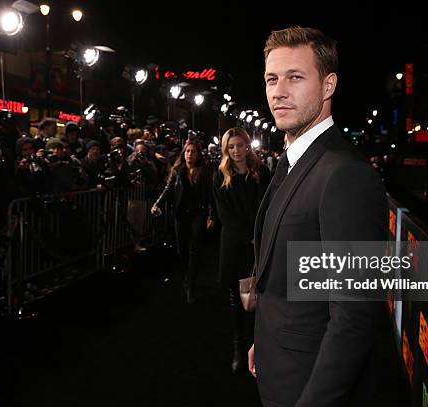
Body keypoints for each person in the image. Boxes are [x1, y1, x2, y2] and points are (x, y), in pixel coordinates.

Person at [249, 27, 387, 406]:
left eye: (295, 77)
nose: (278, 91)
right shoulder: (293, 163)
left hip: (307, 387)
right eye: (271, 79)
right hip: (279, 365)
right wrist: (264, 341)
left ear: (328, 86)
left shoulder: (345, 175)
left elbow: (354, 316)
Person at [212, 127, 270, 373]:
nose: (236, 151)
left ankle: (261, 347)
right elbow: (225, 214)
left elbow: (269, 205)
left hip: (260, 242)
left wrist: (259, 236)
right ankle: (238, 347)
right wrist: (249, 236)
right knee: (237, 298)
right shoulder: (220, 176)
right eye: (231, 147)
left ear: (248, 145)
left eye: (239, 145)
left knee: (263, 296)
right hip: (235, 244)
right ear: (226, 149)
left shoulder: (262, 172)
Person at [151, 140, 214, 304]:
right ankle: (189, 275)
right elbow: (168, 189)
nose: (190, 154)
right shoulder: (178, 170)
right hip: (181, 214)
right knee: (182, 250)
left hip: (198, 213)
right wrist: (157, 204)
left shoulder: (204, 171)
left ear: (198, 154)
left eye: (193, 151)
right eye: (187, 151)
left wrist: (211, 214)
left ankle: (190, 285)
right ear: (183, 153)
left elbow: (210, 194)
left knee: (194, 249)